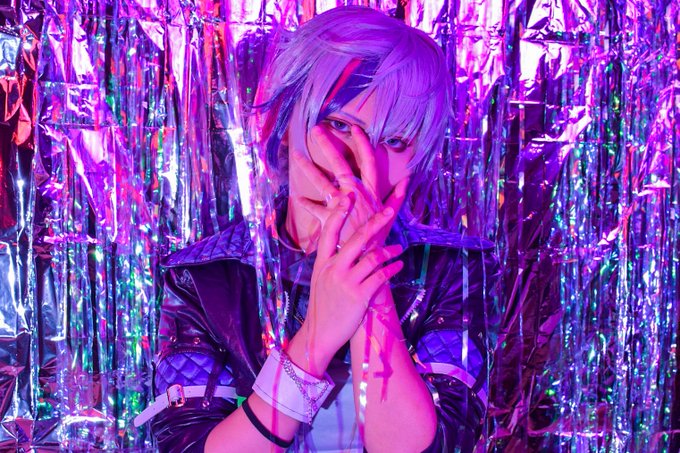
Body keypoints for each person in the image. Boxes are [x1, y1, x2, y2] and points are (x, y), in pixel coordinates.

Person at [135, 6, 499, 452]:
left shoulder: (452, 269)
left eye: (394, 141)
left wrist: (368, 282)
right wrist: (317, 336)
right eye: (340, 125)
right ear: (281, 123)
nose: (360, 162)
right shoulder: (203, 278)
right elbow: (188, 445)